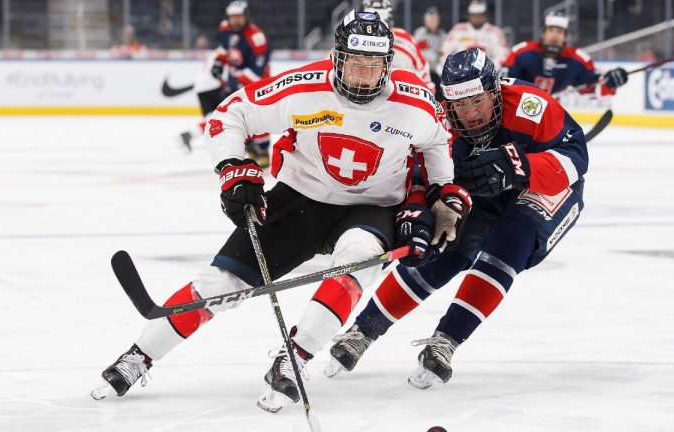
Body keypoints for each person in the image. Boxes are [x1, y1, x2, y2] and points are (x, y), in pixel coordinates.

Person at [91, 10, 471, 412]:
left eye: (374, 66)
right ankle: (138, 356)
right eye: (355, 63)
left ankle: (295, 358)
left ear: (388, 64)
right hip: (301, 198)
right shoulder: (303, 87)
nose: (363, 75)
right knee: (222, 283)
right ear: (336, 58)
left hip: (372, 206)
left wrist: (439, 194)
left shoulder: (415, 101)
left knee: (358, 261)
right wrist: (232, 170)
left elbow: (437, 144)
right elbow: (227, 115)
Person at [325, 48, 588, 389]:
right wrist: (424, 209)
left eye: (478, 101)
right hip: (483, 190)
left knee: (512, 240)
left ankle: (445, 341)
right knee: (446, 244)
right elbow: (419, 174)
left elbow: (576, 157)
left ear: (495, 91)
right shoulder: (438, 122)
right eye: (460, 105)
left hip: (546, 187)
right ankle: (364, 330)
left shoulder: (529, 106)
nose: (471, 113)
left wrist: (519, 165)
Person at [181, 1, 273, 166]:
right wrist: (219, 63)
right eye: (232, 17)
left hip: (258, 84)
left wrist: (238, 84)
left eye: (238, 17)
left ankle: (263, 150)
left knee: (257, 115)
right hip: (235, 81)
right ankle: (251, 148)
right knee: (237, 116)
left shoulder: (256, 38)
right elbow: (224, 50)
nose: (235, 21)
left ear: (246, 17)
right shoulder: (225, 29)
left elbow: (257, 71)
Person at [504, 12, 628, 95]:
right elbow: (502, 82)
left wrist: (610, 83)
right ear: (543, 33)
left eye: (559, 31)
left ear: (566, 36)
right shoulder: (522, 52)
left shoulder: (578, 60)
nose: (554, 35)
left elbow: (594, 85)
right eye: (551, 30)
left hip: (550, 113)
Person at [362, 0, 434, 92]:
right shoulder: (352, 41)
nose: (377, 31)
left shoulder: (406, 43)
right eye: (371, 25)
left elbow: (426, 84)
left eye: (382, 25)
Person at [441, 1, 510, 75]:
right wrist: (455, 70)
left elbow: (503, 55)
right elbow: (445, 52)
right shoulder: (458, 30)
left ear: (485, 16)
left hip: (487, 75)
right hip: (460, 75)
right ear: (469, 16)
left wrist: (488, 69)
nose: (477, 18)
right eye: (474, 15)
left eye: (480, 15)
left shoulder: (494, 32)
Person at [413, 7, 447, 98]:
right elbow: (419, 52)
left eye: (434, 20)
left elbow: (445, 53)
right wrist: (436, 56)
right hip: (422, 71)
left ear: (438, 20)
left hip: (437, 72)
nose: (432, 22)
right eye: (429, 19)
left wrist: (436, 56)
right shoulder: (419, 33)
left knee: (440, 93)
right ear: (424, 20)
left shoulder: (443, 35)